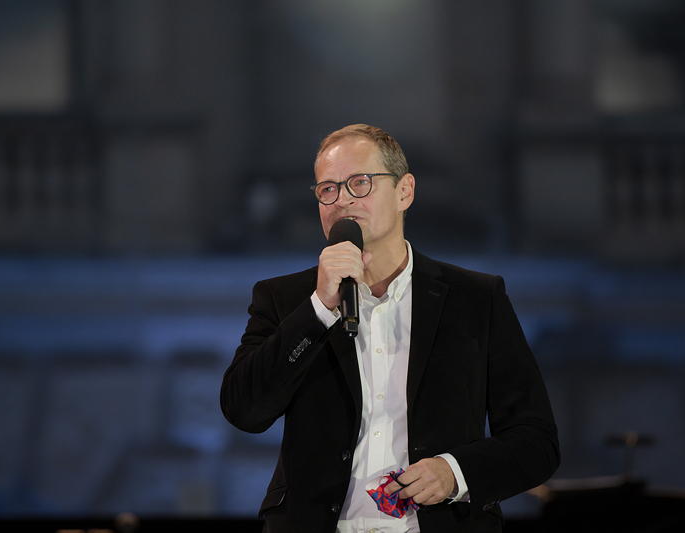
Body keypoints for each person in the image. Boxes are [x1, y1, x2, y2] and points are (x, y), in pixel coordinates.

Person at [221, 124, 559, 533]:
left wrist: (455, 472)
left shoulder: (475, 299)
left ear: (405, 191)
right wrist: (319, 309)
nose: (342, 199)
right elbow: (244, 410)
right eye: (327, 189)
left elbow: (536, 439)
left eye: (360, 183)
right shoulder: (287, 299)